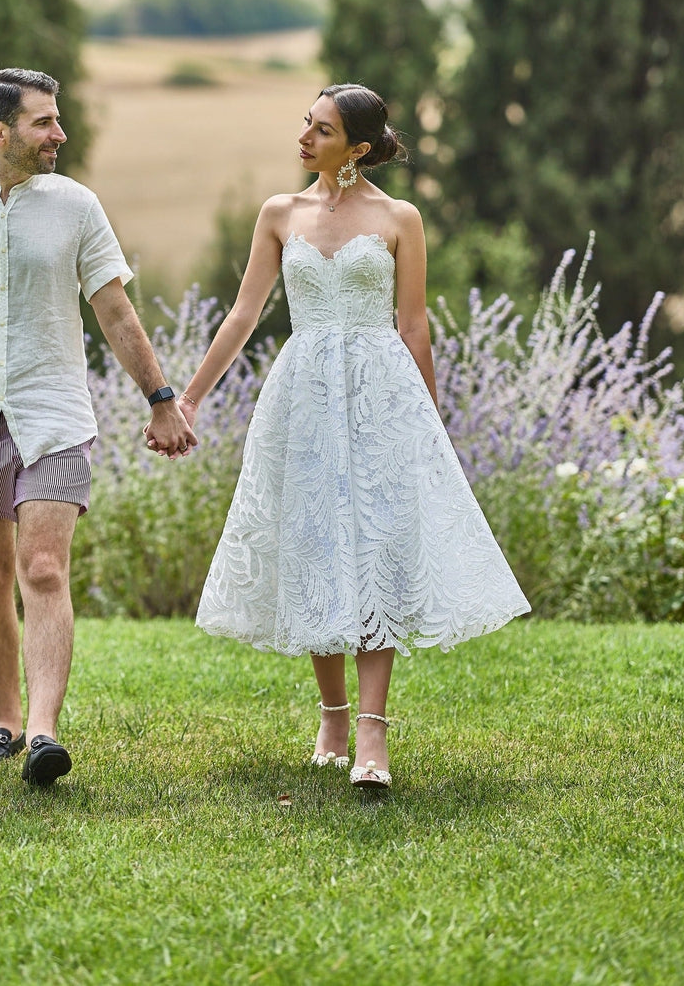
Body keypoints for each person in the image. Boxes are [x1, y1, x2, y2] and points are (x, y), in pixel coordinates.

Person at [168, 84, 530, 790]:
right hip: (303, 393)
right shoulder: (280, 213)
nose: (305, 136)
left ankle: (372, 732)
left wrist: (427, 418)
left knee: (375, 547)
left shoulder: (400, 218)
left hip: (380, 394)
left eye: (322, 128)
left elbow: (415, 324)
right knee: (315, 540)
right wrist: (186, 399)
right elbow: (244, 314)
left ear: (358, 149)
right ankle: (331, 715)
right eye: (307, 121)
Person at [0, 68, 196, 786]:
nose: (60, 134)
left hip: (55, 413)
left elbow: (115, 311)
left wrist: (161, 397)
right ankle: (4, 721)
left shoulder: (77, 207)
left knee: (43, 567)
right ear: (0, 134)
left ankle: (43, 734)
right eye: (44, 123)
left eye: (57, 121)